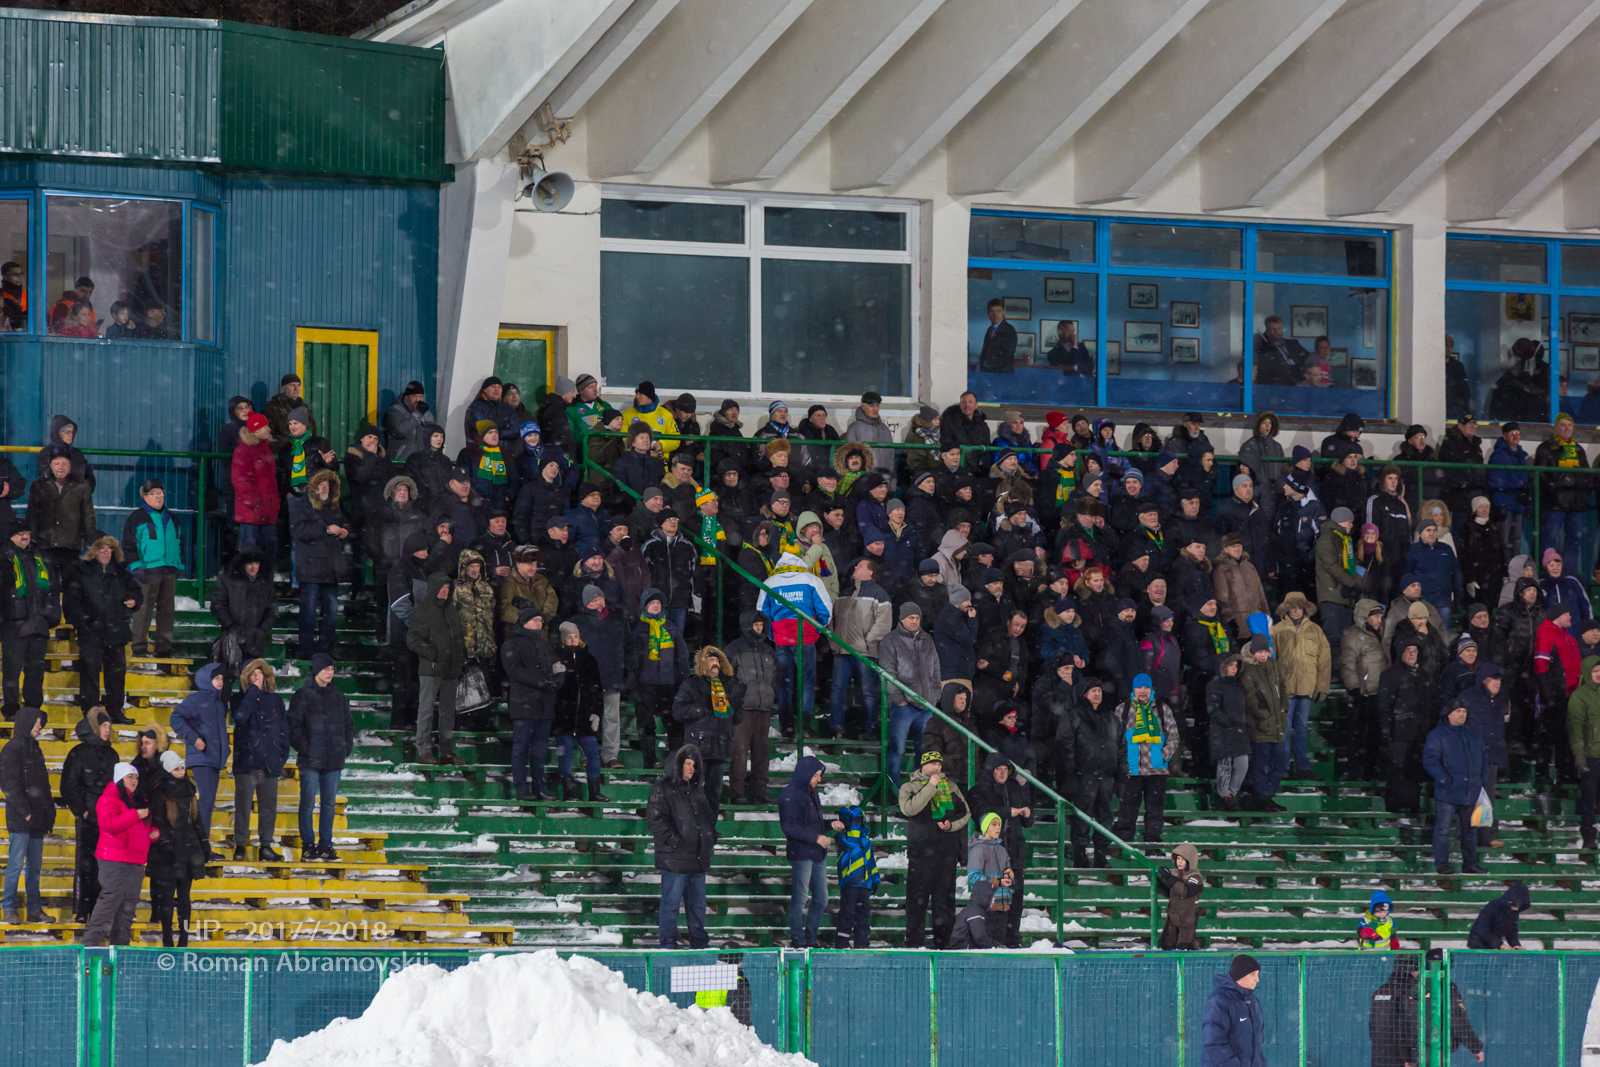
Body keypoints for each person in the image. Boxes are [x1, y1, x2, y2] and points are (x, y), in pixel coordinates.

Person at [898, 749, 970, 949]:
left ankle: (943, 943)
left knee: (945, 903)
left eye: (939, 764)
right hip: (921, 853)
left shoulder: (951, 786)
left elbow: (965, 812)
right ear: (923, 765)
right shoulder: (909, 787)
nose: (937, 767)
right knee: (917, 902)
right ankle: (913, 943)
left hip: (946, 852)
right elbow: (909, 809)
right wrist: (930, 786)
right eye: (932, 764)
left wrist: (951, 825)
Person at [65, 535, 140, 721]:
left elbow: (136, 591)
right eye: (101, 549)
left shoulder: (121, 573)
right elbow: (71, 603)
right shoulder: (81, 573)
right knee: (89, 677)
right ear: (93, 551)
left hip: (116, 633)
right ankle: (91, 715)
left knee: (116, 677)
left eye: (109, 549)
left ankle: (115, 711)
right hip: (91, 634)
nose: (106, 553)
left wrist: (134, 600)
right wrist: (83, 624)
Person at [759, 547, 833, 736]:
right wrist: (816, 628)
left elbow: (762, 615)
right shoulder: (811, 580)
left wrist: (773, 635)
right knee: (807, 681)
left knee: (784, 682)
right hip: (805, 637)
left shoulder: (769, 582)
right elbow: (825, 610)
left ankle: (786, 725)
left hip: (781, 639)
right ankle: (804, 724)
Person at [648, 744, 715, 949]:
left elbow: (705, 820)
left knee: (697, 907)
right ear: (676, 765)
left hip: (696, 859)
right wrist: (676, 841)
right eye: (687, 764)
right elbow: (656, 821)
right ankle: (668, 944)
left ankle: (699, 944)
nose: (692, 768)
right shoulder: (661, 789)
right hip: (675, 860)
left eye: (694, 765)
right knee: (671, 905)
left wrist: (710, 836)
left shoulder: (697, 792)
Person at [288, 653, 354, 860]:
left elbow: (348, 725)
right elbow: (293, 727)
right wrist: (307, 748)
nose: (330, 672)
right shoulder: (302, 695)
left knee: (329, 804)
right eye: (326, 669)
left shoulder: (339, 697)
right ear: (316, 670)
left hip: (334, 760)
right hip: (310, 760)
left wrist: (345, 747)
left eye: (332, 669)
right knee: (308, 803)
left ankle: (326, 845)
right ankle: (308, 845)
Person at [82, 762, 155, 946]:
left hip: (135, 859)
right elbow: (109, 824)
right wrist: (135, 815)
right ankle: (90, 946)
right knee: (109, 902)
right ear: (120, 779)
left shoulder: (137, 799)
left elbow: (139, 828)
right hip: (114, 858)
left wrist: (153, 832)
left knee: (128, 907)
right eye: (130, 776)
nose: (134, 780)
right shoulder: (109, 798)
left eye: (136, 777)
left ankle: (120, 949)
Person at [967, 753, 1033, 948]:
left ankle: (1012, 942)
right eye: (999, 769)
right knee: (991, 905)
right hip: (991, 857)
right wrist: (1006, 812)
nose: (1003, 773)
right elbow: (980, 813)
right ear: (990, 770)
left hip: (1015, 855)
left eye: (1006, 769)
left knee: (1015, 903)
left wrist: (1028, 814)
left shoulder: (1015, 788)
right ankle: (990, 944)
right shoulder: (978, 790)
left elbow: (1028, 821)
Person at [146, 750, 207, 947]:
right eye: (176, 769)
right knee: (166, 898)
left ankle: (183, 938)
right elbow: (158, 822)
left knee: (184, 898)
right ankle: (167, 937)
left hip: (187, 848)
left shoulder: (189, 790)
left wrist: (204, 841)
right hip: (168, 852)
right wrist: (165, 845)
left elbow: (196, 819)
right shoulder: (160, 793)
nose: (181, 771)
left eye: (182, 768)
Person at [61, 706, 116, 921]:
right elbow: (68, 786)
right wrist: (82, 811)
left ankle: (100, 911)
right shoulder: (78, 752)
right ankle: (83, 910)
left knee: (106, 865)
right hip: (88, 818)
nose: (107, 730)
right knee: (86, 864)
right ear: (95, 727)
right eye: (104, 726)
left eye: (109, 726)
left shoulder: (112, 754)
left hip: (108, 818)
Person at [170, 663, 229, 863]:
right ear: (206, 679)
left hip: (213, 759)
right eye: (216, 678)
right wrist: (193, 738)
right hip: (202, 758)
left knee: (208, 802)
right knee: (205, 802)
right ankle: (199, 847)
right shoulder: (195, 700)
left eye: (221, 678)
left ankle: (202, 846)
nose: (220, 682)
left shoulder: (219, 704)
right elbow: (175, 718)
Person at [778, 754, 839, 948]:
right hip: (801, 854)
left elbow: (813, 823)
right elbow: (788, 826)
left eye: (820, 775)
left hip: (816, 854)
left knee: (821, 898)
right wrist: (816, 837)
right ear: (806, 773)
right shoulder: (789, 794)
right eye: (816, 775)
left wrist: (830, 825)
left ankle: (811, 938)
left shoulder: (812, 793)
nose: (819, 779)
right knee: (800, 898)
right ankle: (798, 940)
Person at [1112, 672, 1181, 842]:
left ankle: (1153, 844)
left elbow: (1173, 736)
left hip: (1156, 770)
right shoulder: (1122, 710)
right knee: (1127, 811)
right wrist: (1122, 762)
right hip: (1131, 770)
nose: (1143, 691)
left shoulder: (1162, 708)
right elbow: (1114, 739)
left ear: (1151, 689)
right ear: (1133, 689)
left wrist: (1162, 757)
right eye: (1139, 687)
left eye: (1146, 688)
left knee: (1155, 812)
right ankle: (1123, 844)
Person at [1423, 697, 1488, 875]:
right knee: (1443, 829)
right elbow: (1430, 760)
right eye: (1458, 711)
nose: (1462, 714)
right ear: (1449, 714)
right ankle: (1442, 864)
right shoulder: (1438, 734)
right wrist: (1444, 779)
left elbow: (1484, 759)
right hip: (1448, 791)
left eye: (1464, 711)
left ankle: (1470, 864)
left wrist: (1481, 780)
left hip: (1470, 791)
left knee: (1470, 831)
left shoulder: (1474, 734)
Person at [0, 706, 53, 922]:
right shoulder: (11, 749)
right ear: (26, 722)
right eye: (36, 721)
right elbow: (9, 784)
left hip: (37, 818)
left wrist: (48, 812)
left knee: (35, 867)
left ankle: (34, 909)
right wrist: (25, 812)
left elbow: (44, 784)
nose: (40, 726)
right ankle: (9, 908)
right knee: (15, 864)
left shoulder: (35, 749)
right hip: (22, 818)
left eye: (41, 722)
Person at [231, 659, 288, 861]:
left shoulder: (276, 700)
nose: (257, 678)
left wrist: (281, 757)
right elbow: (240, 717)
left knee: (268, 808)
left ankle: (266, 845)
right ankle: (240, 845)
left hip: (270, 762)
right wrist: (253, 692)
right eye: (252, 675)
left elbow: (284, 730)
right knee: (243, 805)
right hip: (246, 761)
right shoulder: (238, 699)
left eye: (260, 674)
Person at [1, 528, 60, 720]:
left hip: (38, 623)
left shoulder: (41, 557)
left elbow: (52, 588)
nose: (25, 537)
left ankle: (33, 712)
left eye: (27, 533)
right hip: (13, 625)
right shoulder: (4, 558)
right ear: (11, 536)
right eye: (20, 534)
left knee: (35, 673)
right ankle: (11, 711)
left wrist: (52, 615)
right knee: (12, 672)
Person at [289, 470, 349, 657]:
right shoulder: (301, 506)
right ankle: (306, 652)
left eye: (327, 485)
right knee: (308, 614)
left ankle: (325, 653)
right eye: (320, 484)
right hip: (311, 570)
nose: (324, 488)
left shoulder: (334, 507)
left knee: (330, 614)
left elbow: (345, 523)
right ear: (313, 487)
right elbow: (300, 532)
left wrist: (344, 531)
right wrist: (326, 529)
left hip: (331, 570)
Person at [501, 607, 558, 801]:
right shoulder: (511, 644)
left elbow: (558, 667)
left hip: (544, 705)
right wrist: (541, 682)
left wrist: (557, 681)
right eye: (535, 620)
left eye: (540, 620)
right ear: (524, 622)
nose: (539, 623)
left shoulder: (545, 645)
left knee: (539, 751)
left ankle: (538, 788)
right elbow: (514, 670)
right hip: (524, 704)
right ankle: (521, 790)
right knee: (521, 749)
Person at [1271, 593, 1329, 779]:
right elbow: (1271, 660)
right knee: (1285, 728)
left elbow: (1324, 660)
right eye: (1293, 607)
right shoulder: (1277, 630)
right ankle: (1283, 767)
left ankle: (1302, 768)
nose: (1296, 611)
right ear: (1286, 609)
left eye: (1300, 607)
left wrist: (1322, 686)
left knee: (1301, 728)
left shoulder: (1315, 630)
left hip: (1306, 687)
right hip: (1285, 689)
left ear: (1305, 609)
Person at [724, 611, 777, 804]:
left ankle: (758, 793)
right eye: (755, 625)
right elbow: (726, 678)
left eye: (761, 625)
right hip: (743, 709)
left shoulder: (768, 650)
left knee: (761, 753)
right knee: (739, 752)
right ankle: (737, 793)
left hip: (764, 708)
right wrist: (736, 699)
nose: (759, 628)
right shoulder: (734, 649)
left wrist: (770, 693)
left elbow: (775, 676)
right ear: (747, 626)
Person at [553, 620, 607, 804]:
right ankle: (568, 792)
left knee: (593, 754)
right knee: (565, 754)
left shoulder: (589, 659)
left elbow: (597, 689)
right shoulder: (557, 658)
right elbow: (555, 690)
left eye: (575, 636)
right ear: (563, 640)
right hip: (564, 717)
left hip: (585, 716)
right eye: (569, 637)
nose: (573, 640)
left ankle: (595, 792)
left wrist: (596, 713)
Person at [1533, 413, 1590, 575]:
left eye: (1569, 425)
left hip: (1575, 503)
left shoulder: (1578, 449)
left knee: (1573, 542)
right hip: (1554, 503)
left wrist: (1583, 495)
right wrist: (1554, 490)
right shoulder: (1545, 448)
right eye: (1563, 425)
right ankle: (1547, 578)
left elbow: (1587, 475)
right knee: (1549, 543)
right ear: (1556, 428)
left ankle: (1568, 578)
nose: (1567, 429)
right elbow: (1540, 475)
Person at [1241, 634, 1289, 812]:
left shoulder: (1274, 665)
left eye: (1265, 651)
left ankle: (1268, 795)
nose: (1262, 655)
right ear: (1253, 652)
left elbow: (1282, 687)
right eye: (1259, 651)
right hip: (1260, 725)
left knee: (1280, 761)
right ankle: (1261, 797)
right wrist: (1264, 715)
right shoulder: (1248, 670)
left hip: (1277, 724)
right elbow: (1250, 698)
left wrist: (1283, 707)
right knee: (1261, 763)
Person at [1202, 955, 1266, 1067]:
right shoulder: (1220, 1000)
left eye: (1257, 974)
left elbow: (1258, 1044)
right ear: (1241, 974)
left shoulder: (1253, 1001)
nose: (1257, 979)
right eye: (1252, 974)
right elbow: (1213, 1043)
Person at [1156, 842, 1204, 951]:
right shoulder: (1175, 874)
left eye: (1183, 859)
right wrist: (1160, 883)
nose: (1180, 862)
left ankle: (1190, 958)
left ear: (1190, 860)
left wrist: (1169, 878)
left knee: (1184, 945)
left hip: (1188, 916)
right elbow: (1171, 893)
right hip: (1173, 915)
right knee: (1167, 945)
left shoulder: (1195, 877)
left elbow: (1184, 892)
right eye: (1178, 859)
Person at [1466, 882, 1529, 950]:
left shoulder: (1514, 912)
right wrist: (1499, 944)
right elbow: (1482, 929)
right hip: (1477, 944)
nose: (1516, 909)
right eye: (1514, 905)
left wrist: (1516, 944)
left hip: (1493, 945)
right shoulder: (1493, 906)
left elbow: (1512, 931)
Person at [385, 381, 431, 464]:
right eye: (414, 396)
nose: (418, 400)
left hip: (421, 462)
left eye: (420, 396)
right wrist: (417, 414)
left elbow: (432, 434)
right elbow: (401, 431)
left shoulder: (426, 413)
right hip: (401, 462)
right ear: (406, 397)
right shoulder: (395, 410)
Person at [977, 297, 1018, 372]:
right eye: (992, 311)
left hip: (1002, 373)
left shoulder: (1009, 330)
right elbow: (985, 352)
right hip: (988, 372)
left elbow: (1008, 355)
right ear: (988, 313)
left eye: (998, 311)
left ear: (1003, 312)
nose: (995, 314)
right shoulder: (989, 329)